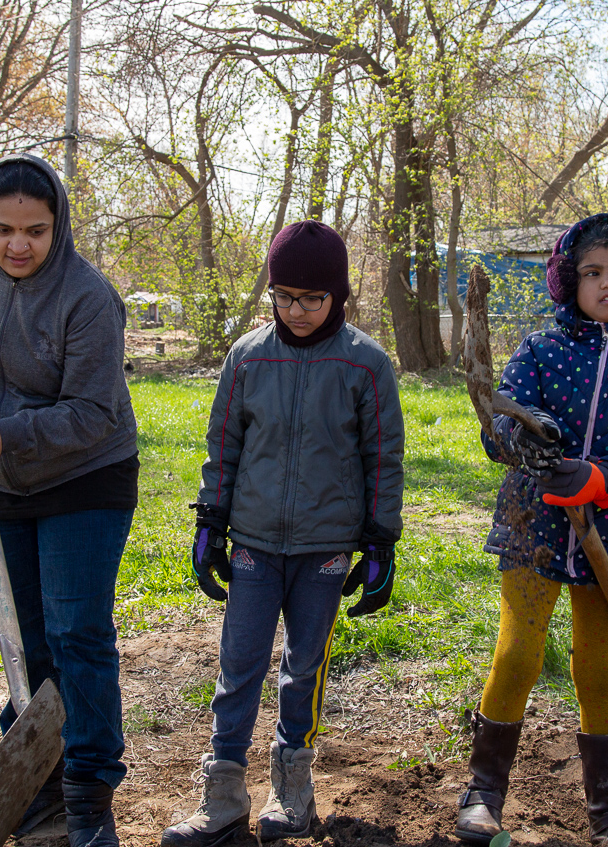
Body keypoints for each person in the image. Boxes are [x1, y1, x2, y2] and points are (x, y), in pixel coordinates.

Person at [0, 153, 138, 847]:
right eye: (2, 228)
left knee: (77, 634)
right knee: (25, 639)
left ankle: (89, 788)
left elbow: (95, 413)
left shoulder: (88, 296)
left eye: (35, 230)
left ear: (58, 225)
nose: (18, 245)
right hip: (2, 481)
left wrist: (9, 429)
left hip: (85, 477)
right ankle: (39, 787)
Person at [162, 220, 404, 847]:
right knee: (238, 663)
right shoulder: (247, 357)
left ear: (339, 297)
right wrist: (211, 522)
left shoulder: (366, 364)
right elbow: (224, 442)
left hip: (326, 547)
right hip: (254, 544)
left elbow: (384, 457)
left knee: (304, 666)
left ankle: (293, 790)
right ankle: (222, 796)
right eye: (285, 297)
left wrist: (381, 540)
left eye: (313, 299)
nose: (297, 311)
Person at [454, 214, 608, 847]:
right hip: (534, 525)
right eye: (592, 273)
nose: (607, 284)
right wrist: (527, 444)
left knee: (597, 668)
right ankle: (483, 792)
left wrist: (603, 477)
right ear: (569, 282)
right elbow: (499, 423)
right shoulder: (539, 352)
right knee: (518, 654)